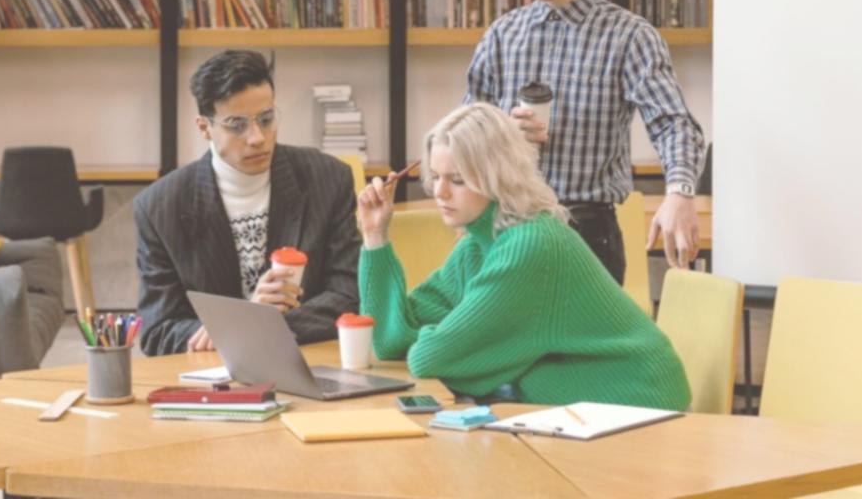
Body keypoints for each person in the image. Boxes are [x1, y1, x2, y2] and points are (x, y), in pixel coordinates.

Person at [357, 102, 690, 409]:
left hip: (637, 402)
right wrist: (375, 236)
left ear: (496, 177)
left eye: (457, 180)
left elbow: (428, 357)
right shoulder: (478, 243)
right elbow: (389, 339)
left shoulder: (528, 246)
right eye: (436, 177)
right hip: (577, 408)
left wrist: (454, 340)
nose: (440, 192)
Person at [465, 0, 706, 284]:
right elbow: (466, 135)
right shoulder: (502, 35)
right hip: (505, 228)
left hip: (587, 234)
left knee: (583, 352)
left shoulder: (629, 35)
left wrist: (679, 193)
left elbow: (674, 123)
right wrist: (503, 133)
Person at [134, 50, 361, 356]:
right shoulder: (160, 208)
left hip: (308, 357)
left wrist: (254, 328)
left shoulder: (329, 179)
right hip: (214, 375)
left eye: (266, 119)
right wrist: (240, 325)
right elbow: (158, 331)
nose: (257, 138)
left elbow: (349, 296)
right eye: (237, 125)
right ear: (204, 127)